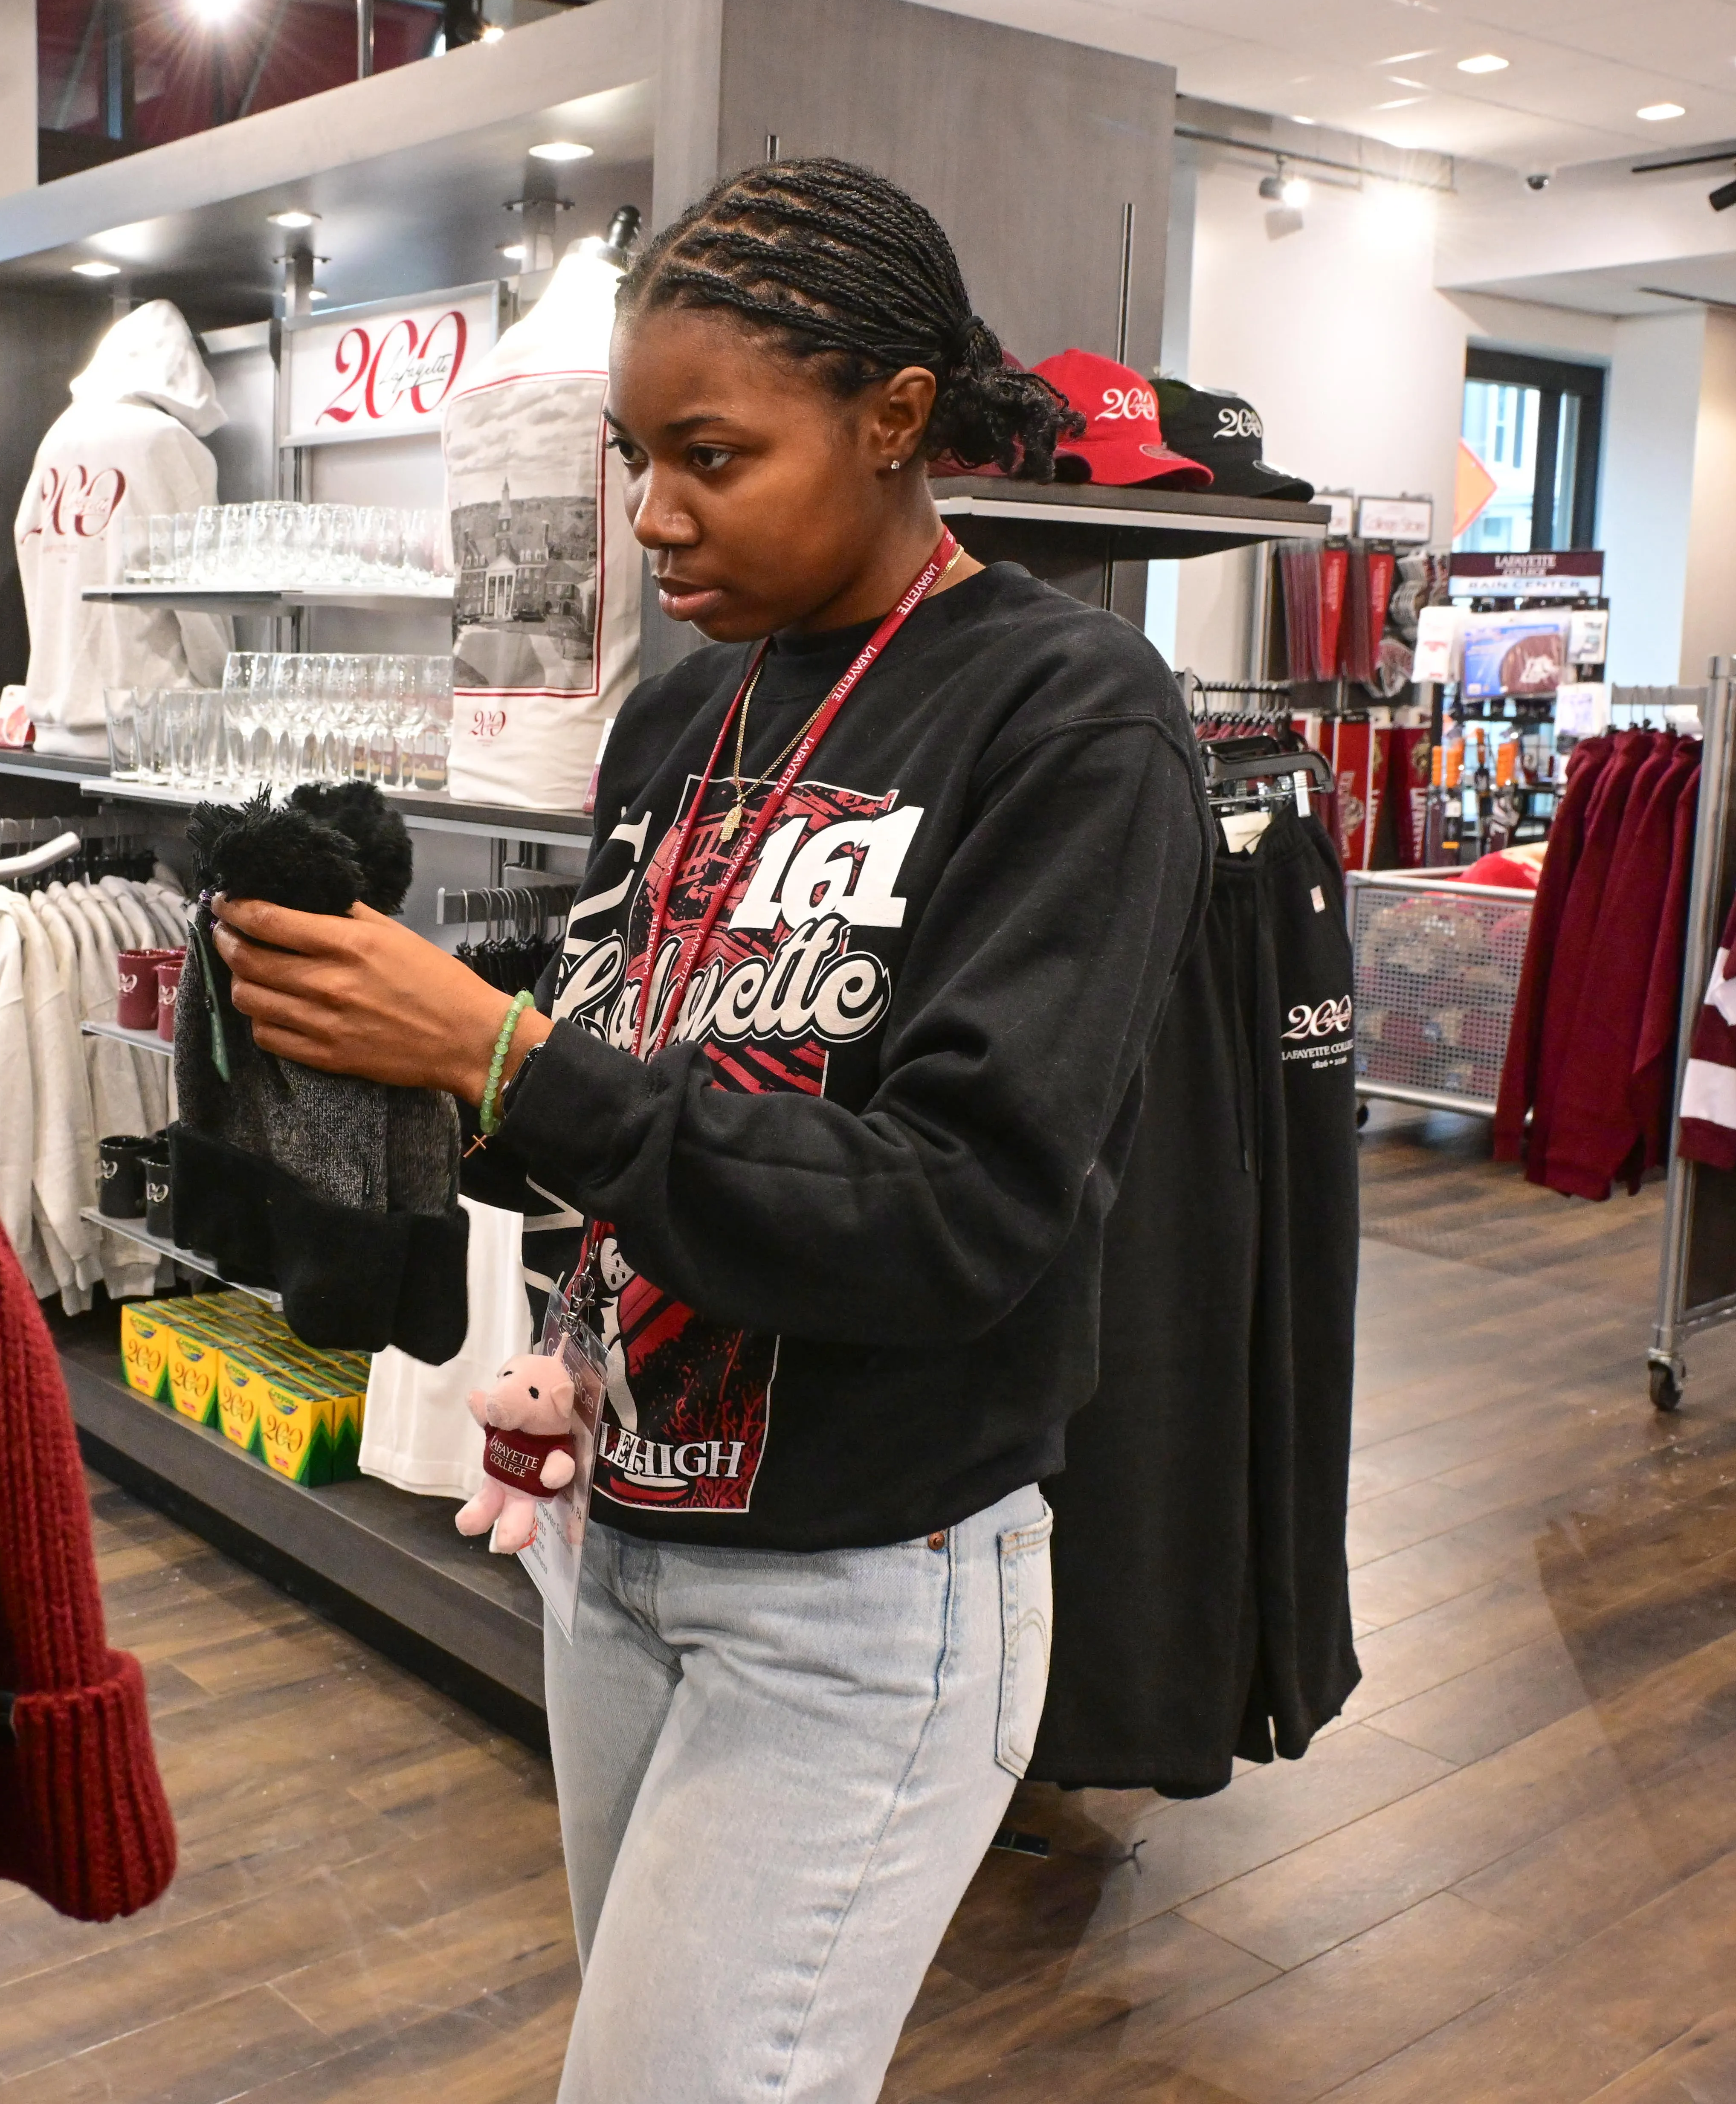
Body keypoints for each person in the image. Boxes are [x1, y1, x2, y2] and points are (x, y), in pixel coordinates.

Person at [208, 156, 1210, 2104]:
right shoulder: (682, 717)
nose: (652, 514)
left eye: (712, 455)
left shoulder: (1071, 716)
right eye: (631, 452)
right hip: (620, 1541)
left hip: (865, 1584)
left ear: (895, 418)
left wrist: (504, 1061)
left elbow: (961, 1208)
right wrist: (390, 1056)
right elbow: (629, 1088)